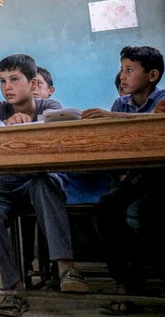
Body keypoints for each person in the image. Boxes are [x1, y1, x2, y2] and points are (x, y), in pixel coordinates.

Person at [0, 54, 86, 317]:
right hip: (10, 183)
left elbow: (60, 123)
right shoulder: (0, 108)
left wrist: (31, 124)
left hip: (41, 177)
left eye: (14, 79)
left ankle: (66, 268)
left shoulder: (49, 104)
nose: (7, 87)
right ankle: (13, 288)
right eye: (2, 81)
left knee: (41, 184)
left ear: (33, 82)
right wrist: (3, 124)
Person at [86, 47, 165, 315]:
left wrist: (111, 118)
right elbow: (114, 138)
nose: (122, 76)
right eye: (122, 70)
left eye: (130, 70)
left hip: (161, 176)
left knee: (146, 211)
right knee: (106, 207)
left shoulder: (163, 99)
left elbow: (157, 126)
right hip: (137, 177)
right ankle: (127, 285)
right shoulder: (121, 103)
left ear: (152, 75)